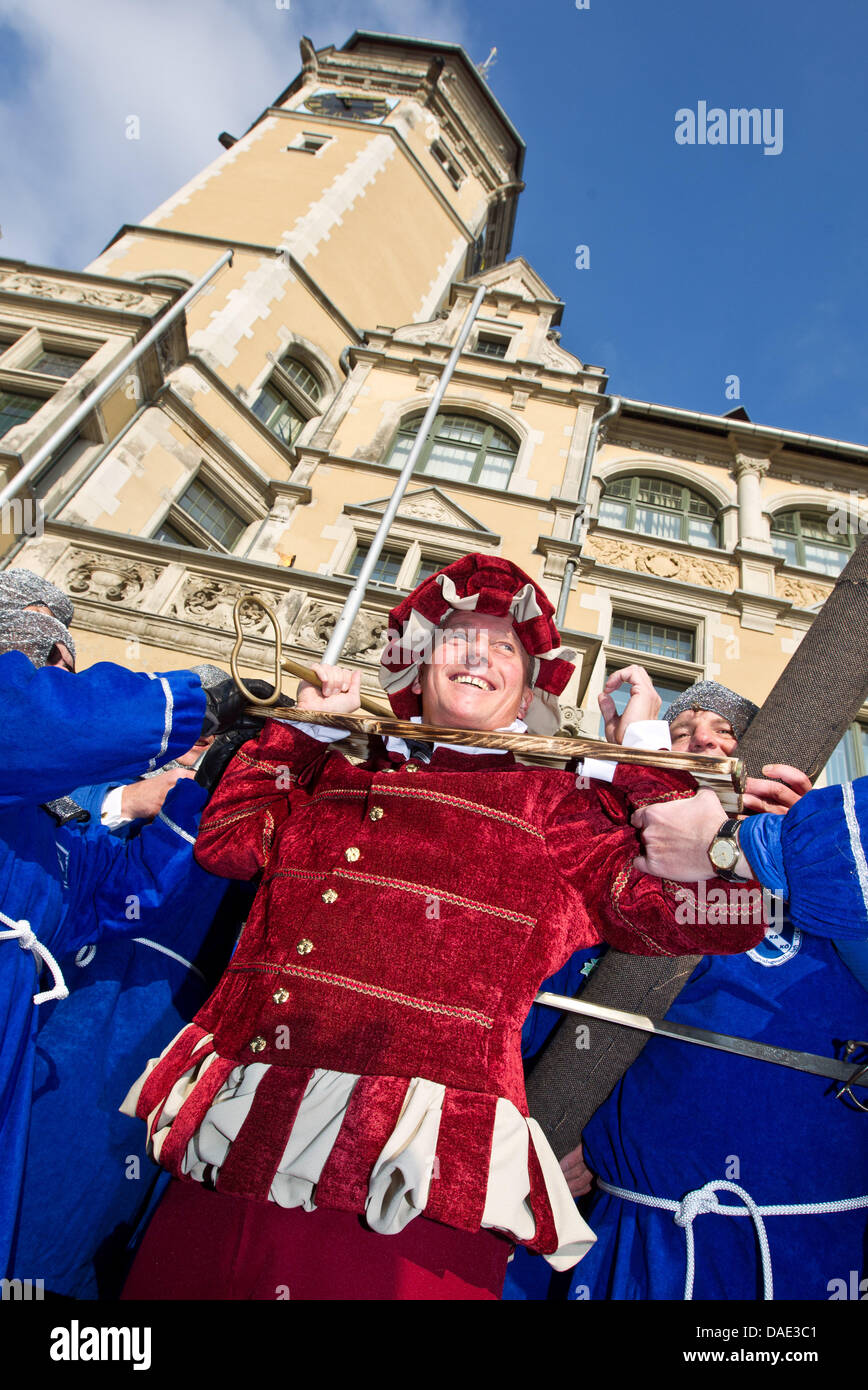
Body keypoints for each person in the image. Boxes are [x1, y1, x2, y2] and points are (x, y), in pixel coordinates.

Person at [120, 555, 767, 1302]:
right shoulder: (341, 770)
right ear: (416, 670)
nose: (477, 656)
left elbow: (719, 919)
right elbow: (227, 843)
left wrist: (638, 757)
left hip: (409, 1191)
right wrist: (304, 728)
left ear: (530, 693)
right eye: (457, 638)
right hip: (230, 1146)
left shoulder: (560, 806)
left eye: (505, 649)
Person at [514, 677, 868, 1301]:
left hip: (819, 1252)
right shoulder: (614, 876)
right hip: (640, 1246)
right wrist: (538, 1124)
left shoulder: (824, 876)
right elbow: (534, 1012)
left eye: (726, 733)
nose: (702, 741)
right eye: (680, 735)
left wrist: (785, 852)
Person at [0, 567, 248, 1276]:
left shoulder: (40, 823)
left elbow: (112, 895)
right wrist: (211, 694)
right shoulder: (23, 726)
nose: (64, 684)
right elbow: (43, 721)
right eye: (55, 671)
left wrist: (195, 800)